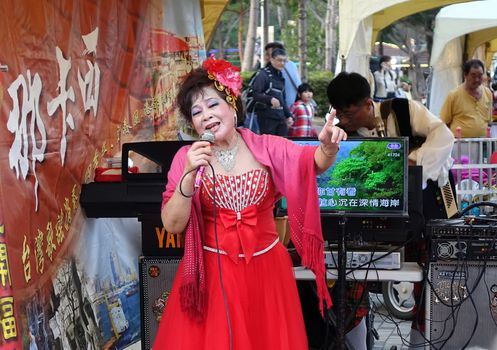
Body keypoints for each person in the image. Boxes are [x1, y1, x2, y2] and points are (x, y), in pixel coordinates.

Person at [152, 56, 347, 349]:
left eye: (212, 104)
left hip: (267, 274)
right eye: (196, 111)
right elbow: (173, 224)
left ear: (232, 104)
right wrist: (190, 174)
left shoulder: (267, 146)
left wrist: (328, 148)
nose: (206, 115)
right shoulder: (186, 159)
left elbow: (311, 164)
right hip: (212, 276)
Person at [326, 72, 454, 350]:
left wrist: (413, 164)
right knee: (350, 285)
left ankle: (421, 345)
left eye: (348, 113)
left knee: (431, 287)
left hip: (428, 206)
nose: (344, 121)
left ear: (367, 103)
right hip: (376, 217)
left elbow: (444, 135)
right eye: (340, 114)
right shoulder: (342, 133)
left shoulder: (403, 109)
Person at [440, 59, 493, 138]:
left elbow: (488, 119)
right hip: (460, 144)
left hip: (483, 143)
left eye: (480, 75)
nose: (477, 79)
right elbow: (444, 122)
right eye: (473, 75)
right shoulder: (453, 95)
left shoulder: (488, 93)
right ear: (465, 75)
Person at [251, 48, 295, 136]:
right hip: (266, 118)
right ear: (271, 60)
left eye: (284, 61)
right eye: (279, 60)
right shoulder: (263, 74)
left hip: (280, 118)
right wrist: (270, 99)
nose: (282, 63)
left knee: (282, 145)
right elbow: (255, 94)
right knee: (269, 146)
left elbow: (283, 100)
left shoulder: (281, 76)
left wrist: (289, 116)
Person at [263, 42, 302, 109]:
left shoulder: (276, 69)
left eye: (268, 54)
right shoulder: (291, 64)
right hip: (291, 108)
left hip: (280, 109)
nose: (266, 57)